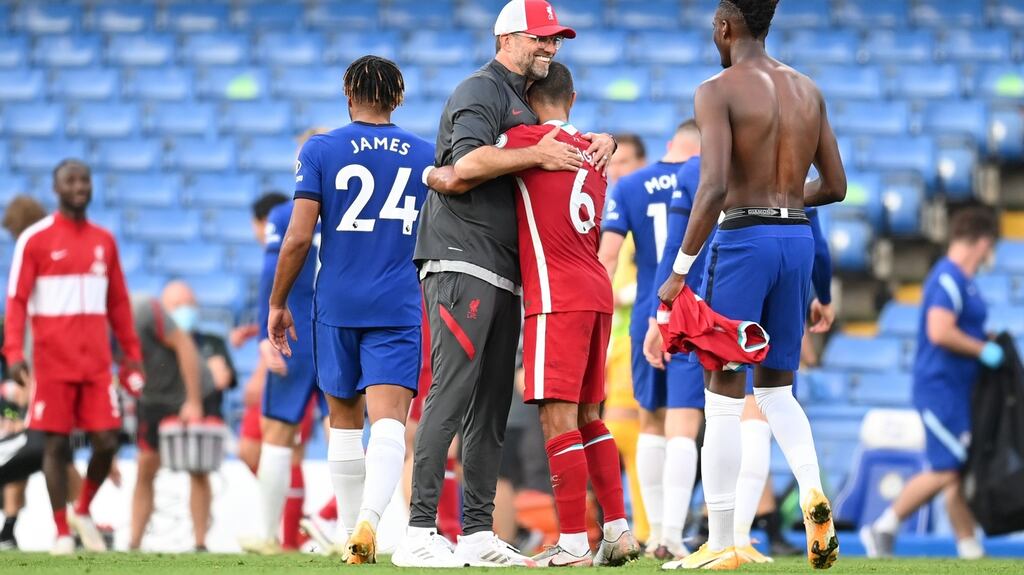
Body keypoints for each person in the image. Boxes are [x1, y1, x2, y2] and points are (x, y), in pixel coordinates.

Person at [399, 0, 615, 566]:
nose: (550, 48)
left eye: (556, 41)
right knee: (450, 393)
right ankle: (419, 531)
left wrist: (598, 141)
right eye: (542, 39)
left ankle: (475, 531)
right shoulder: (480, 90)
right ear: (508, 38)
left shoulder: (520, 101)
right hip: (461, 258)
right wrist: (535, 154)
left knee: (492, 405)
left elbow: (540, 145)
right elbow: (464, 166)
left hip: (503, 268)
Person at [656, 0, 847, 569]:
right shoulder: (808, 90)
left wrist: (679, 271)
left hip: (744, 244)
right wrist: (783, 200)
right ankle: (812, 491)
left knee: (722, 394)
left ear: (725, 26)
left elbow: (712, 187)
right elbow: (835, 186)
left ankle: (722, 541)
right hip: (798, 242)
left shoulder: (717, 90)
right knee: (778, 390)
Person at [268, 55, 434, 565]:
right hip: (398, 300)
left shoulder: (321, 148)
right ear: (398, 98)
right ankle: (372, 521)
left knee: (343, 420)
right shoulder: (426, 153)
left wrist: (277, 302)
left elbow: (298, 237)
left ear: (348, 94)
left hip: (337, 301)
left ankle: (347, 534)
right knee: (389, 424)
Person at [3, 159, 144, 555]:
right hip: (52, 364)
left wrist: (130, 356)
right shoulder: (35, 240)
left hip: (97, 364)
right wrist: (13, 351)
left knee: (107, 439)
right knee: (55, 445)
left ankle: (82, 510)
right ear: (56, 189)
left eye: (85, 180)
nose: (80, 186)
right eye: (71, 181)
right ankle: (62, 531)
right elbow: (15, 301)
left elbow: (118, 303)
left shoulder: (104, 240)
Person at [861, 207, 1000, 560]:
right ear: (982, 242)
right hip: (941, 388)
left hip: (957, 388)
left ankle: (969, 547)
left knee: (953, 470)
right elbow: (940, 331)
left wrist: (987, 340)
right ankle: (883, 525)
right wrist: (982, 349)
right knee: (947, 467)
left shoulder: (963, 282)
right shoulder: (948, 279)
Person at [600, 120, 702, 560]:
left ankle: (654, 530)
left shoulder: (629, 185)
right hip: (695, 313)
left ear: (667, 146)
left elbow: (606, 258)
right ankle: (673, 536)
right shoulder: (708, 179)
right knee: (685, 423)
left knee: (650, 422)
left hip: (646, 315)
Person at [242, 192, 324, 555]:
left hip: (296, 334)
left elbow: (272, 271)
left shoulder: (286, 212)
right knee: (346, 429)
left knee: (276, 435)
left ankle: (267, 535)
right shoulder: (361, 208)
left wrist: (264, 333)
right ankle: (350, 528)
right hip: (344, 328)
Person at [128, 293, 206, 551]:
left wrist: (193, 400)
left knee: (197, 467)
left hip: (184, 393)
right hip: (152, 399)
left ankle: (200, 543)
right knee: (145, 468)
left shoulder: (142, 310)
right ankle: (134, 543)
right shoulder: (96, 324)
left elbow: (184, 345)